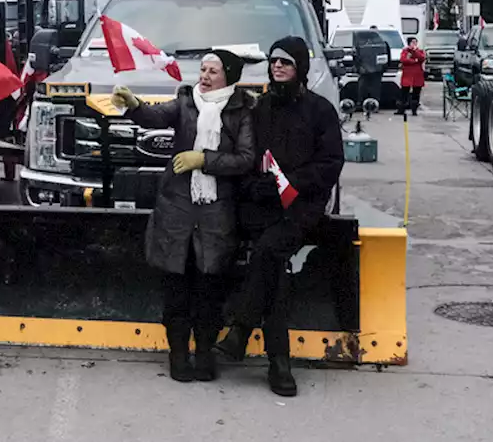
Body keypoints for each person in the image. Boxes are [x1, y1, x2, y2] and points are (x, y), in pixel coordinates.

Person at [111, 50, 255, 383]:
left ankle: (204, 354)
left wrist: (204, 159)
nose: (204, 76)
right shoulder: (186, 102)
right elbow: (154, 117)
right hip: (176, 210)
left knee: (209, 290)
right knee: (176, 288)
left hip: (216, 214)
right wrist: (133, 104)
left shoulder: (241, 110)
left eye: (213, 71)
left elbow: (246, 158)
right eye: (202, 70)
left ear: (229, 76)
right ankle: (178, 355)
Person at [215, 36, 344, 397]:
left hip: (302, 209)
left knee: (269, 252)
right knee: (272, 271)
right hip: (262, 206)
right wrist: (256, 185)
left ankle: (242, 330)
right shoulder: (260, 109)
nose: (278, 67)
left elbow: (331, 164)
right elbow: (248, 155)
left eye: (285, 62)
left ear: (300, 67)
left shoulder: (320, 111)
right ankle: (278, 365)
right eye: (273, 61)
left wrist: (291, 183)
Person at [354, 29, 390, 109]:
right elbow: (386, 56)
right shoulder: (382, 44)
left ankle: (363, 103)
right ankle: (372, 104)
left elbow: (356, 57)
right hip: (375, 70)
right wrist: (384, 68)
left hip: (365, 70)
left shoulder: (359, 44)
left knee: (365, 87)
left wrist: (358, 67)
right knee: (372, 88)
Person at [399, 36, 426, 116]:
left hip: (417, 75)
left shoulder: (419, 51)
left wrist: (415, 52)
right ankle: (401, 109)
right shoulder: (405, 51)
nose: (414, 44)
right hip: (407, 75)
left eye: (415, 42)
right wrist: (414, 61)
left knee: (416, 93)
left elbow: (422, 58)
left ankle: (414, 110)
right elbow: (403, 60)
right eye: (412, 42)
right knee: (404, 93)